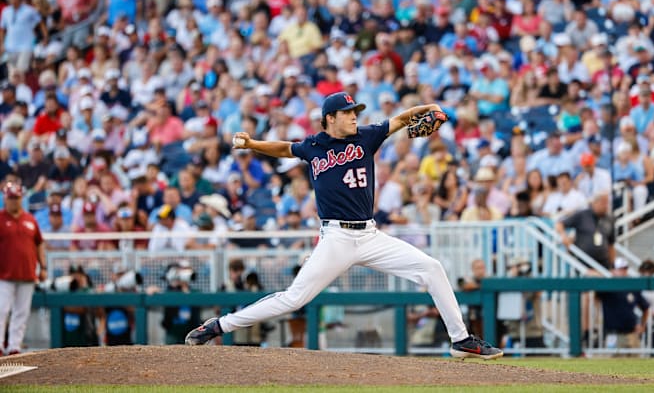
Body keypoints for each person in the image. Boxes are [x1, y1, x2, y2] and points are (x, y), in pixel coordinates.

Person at [186, 92, 503, 359]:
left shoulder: (367, 135)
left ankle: (460, 340)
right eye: (347, 113)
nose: (354, 117)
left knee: (432, 268)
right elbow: (285, 148)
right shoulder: (314, 146)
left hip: (370, 235)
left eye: (355, 112)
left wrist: (428, 108)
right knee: (294, 298)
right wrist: (252, 143)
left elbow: (403, 120)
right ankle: (219, 326)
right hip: (335, 238)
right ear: (329, 119)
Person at [0, 182, 46, 355]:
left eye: (16, 198)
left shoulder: (30, 219)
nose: (14, 201)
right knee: (1, 310)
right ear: (5, 198)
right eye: (11, 198)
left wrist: (44, 267)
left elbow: (39, 243)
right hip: (4, 274)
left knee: (21, 312)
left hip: (27, 274)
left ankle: (14, 346)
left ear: (21, 198)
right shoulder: (0, 218)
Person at [596, 258, 649, 355]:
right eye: (620, 269)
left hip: (631, 333)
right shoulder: (607, 286)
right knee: (612, 366)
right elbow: (595, 295)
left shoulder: (632, 286)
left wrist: (642, 325)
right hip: (613, 334)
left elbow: (645, 307)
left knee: (637, 365)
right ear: (612, 271)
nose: (623, 272)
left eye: (625, 269)